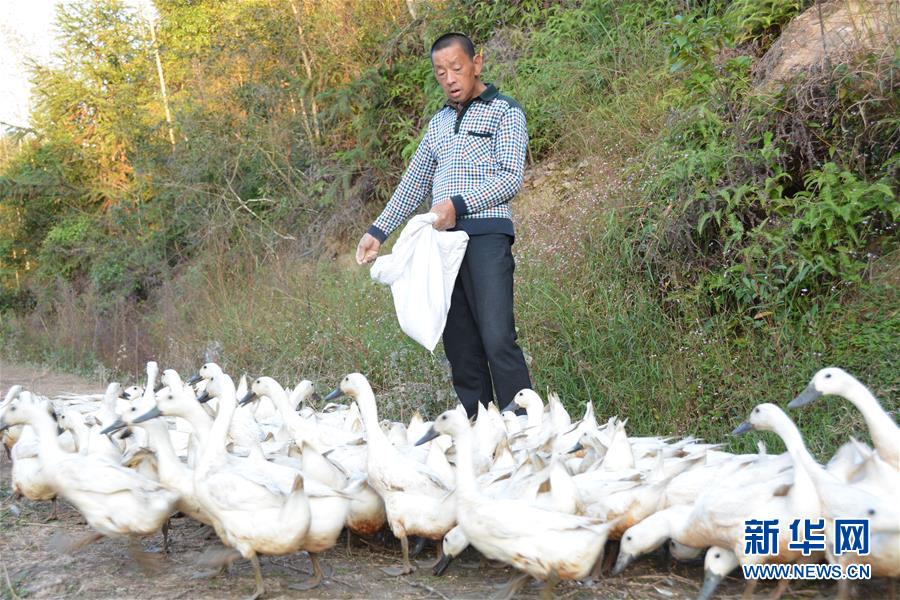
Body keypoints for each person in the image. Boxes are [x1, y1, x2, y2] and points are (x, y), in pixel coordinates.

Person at [356, 32, 532, 417]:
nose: (450, 78)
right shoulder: (437, 124)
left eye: (456, 68)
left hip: (486, 236)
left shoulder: (506, 112)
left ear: (476, 63)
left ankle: (524, 428)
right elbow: (414, 181)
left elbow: (510, 178)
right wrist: (377, 231)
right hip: (441, 246)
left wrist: (459, 204)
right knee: (461, 344)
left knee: (497, 336)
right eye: (441, 72)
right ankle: (477, 429)